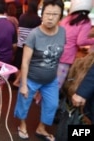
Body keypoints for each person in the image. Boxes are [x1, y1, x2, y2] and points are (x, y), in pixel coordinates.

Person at [13, 0, 65, 140]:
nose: (50, 17)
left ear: (60, 16)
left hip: (50, 80)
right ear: (42, 15)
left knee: (52, 105)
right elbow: (25, 61)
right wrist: (23, 84)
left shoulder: (62, 32)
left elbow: (58, 56)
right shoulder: (34, 34)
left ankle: (41, 129)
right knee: (23, 103)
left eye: (55, 14)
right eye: (47, 13)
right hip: (31, 78)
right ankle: (22, 125)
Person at [57, 0, 94, 89]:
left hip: (56, 52)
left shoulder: (67, 19)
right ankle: (48, 101)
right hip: (66, 57)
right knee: (56, 85)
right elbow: (80, 42)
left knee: (49, 82)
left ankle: (41, 99)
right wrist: (93, 40)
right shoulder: (85, 22)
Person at [12, 0, 41, 87]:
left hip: (20, 45)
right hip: (29, 46)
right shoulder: (37, 19)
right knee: (26, 64)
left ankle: (17, 81)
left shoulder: (22, 16)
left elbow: (20, 31)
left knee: (18, 64)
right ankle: (19, 82)